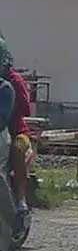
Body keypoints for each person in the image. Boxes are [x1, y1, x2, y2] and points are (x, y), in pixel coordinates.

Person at [0, 38, 32, 233]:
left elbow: (26, 109)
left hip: (17, 131)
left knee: (18, 150)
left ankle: (20, 201)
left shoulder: (12, 81)